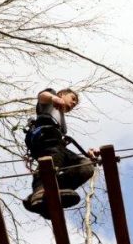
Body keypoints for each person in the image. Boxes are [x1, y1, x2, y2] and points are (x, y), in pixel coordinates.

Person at [23, 88, 98, 217]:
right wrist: (54, 98)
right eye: (73, 99)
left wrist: (88, 155)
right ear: (62, 94)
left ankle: (53, 195)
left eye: (75, 103)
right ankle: (40, 190)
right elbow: (41, 96)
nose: (74, 103)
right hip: (44, 137)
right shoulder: (50, 99)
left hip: (58, 145)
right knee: (54, 156)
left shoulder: (62, 125)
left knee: (86, 167)